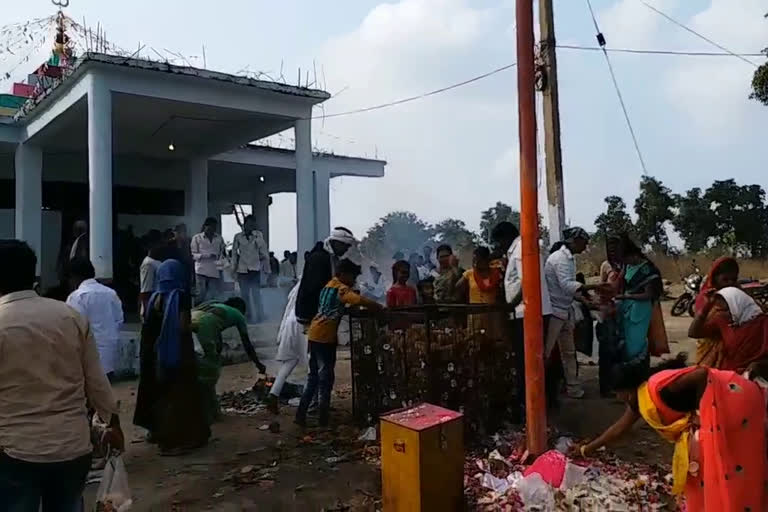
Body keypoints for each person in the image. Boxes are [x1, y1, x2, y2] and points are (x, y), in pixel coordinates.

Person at [0, 240, 123, 509]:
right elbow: (97, 382)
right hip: (72, 446)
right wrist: (113, 423)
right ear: (33, 275)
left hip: (15, 450)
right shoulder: (69, 316)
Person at [575, 355, 767, 511]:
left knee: (726, 462)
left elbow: (701, 374)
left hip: (735, 400)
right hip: (719, 410)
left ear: (627, 390)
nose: (618, 398)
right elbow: (618, 429)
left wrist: (706, 413)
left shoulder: (658, 389)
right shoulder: (641, 400)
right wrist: (586, 449)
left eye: (617, 393)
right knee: (705, 467)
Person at [134, 259, 210, 455]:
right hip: (177, 355)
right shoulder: (180, 296)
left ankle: (158, 432)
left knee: (161, 394)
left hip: (154, 356)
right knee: (182, 396)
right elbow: (184, 326)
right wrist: (196, 326)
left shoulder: (154, 298)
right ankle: (178, 440)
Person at [295, 258, 383, 427]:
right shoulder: (342, 289)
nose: (354, 281)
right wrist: (378, 307)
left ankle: (301, 414)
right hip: (325, 338)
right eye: (353, 277)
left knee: (313, 377)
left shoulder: (329, 285)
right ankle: (323, 418)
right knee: (326, 378)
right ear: (343, 274)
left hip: (314, 334)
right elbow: (357, 300)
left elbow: (335, 306)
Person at [491, 221, 553, 416]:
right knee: (532, 361)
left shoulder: (520, 249)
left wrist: (511, 303)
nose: (498, 247)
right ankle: (537, 405)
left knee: (526, 363)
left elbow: (528, 280)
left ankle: (529, 408)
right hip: (531, 312)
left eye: (498, 242)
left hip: (525, 313)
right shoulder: (521, 248)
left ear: (505, 238)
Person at [544, 227, 603, 399]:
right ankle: (544, 391)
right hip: (555, 311)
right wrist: (594, 286)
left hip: (563, 309)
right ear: (574, 241)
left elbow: (570, 288)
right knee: (548, 353)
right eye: (583, 243)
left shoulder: (567, 258)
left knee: (568, 353)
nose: (585, 247)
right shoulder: (560, 258)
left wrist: (587, 301)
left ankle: (572, 388)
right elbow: (567, 285)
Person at [192, 297, 267, 423]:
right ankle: (210, 412)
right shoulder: (238, 314)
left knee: (202, 365)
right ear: (240, 309)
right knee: (211, 373)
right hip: (204, 325)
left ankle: (204, 407)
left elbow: (216, 333)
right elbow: (247, 343)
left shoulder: (216, 305)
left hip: (188, 321)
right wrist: (258, 364)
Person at [66, 258, 125, 380]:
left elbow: (74, 327)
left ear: (73, 277)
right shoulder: (111, 293)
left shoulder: (77, 297)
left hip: (87, 356)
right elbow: (119, 320)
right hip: (110, 352)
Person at [613, 234, 663, 371]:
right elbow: (619, 282)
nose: (627, 262)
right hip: (627, 306)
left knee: (636, 342)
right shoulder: (627, 266)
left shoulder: (646, 270)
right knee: (625, 341)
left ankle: (639, 371)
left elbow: (649, 294)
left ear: (634, 255)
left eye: (627, 259)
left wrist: (628, 297)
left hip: (640, 308)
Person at [689, 286, 768, 372]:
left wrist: (760, 364)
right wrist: (706, 307)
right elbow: (694, 333)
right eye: (719, 310)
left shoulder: (763, 323)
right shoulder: (723, 320)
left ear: (737, 305)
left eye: (727, 310)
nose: (722, 314)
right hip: (728, 374)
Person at [296, 227, 357, 325]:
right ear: (336, 243)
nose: (346, 250)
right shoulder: (319, 259)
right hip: (310, 314)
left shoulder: (331, 257)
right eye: (345, 246)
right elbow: (318, 288)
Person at [266, 281, 307, 414]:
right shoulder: (318, 282)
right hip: (305, 323)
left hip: (291, 322)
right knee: (314, 364)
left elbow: (288, 309)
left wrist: (281, 332)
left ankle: (274, 393)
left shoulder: (298, 287)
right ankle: (310, 402)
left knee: (289, 361)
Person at [693, 257, 740, 367]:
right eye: (725, 280)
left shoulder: (739, 296)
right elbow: (695, 331)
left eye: (733, 280)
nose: (730, 283)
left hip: (734, 353)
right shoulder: (706, 298)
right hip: (710, 350)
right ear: (715, 279)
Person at [231, 215, 269, 323]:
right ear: (245, 224)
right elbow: (234, 254)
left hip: (255, 268)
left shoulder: (258, 235)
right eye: (249, 224)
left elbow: (263, 250)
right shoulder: (238, 237)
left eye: (253, 224)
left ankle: (260, 316)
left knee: (256, 294)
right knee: (245, 295)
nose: (251, 226)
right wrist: (233, 269)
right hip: (242, 269)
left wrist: (266, 268)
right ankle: (247, 316)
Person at [191, 217, 225, 304]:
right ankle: (196, 314)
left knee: (212, 296)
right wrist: (207, 255)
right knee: (200, 294)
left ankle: (210, 314)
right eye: (210, 227)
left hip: (214, 271)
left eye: (214, 228)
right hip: (201, 270)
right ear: (205, 226)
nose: (212, 230)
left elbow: (222, 255)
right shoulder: (197, 238)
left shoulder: (219, 238)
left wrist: (221, 270)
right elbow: (193, 255)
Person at [139, 230, 164, 317]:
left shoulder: (157, 261)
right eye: (159, 244)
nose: (161, 246)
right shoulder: (148, 264)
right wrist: (147, 312)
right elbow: (146, 290)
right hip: (152, 308)